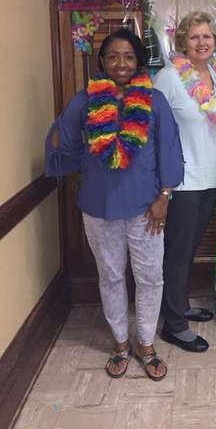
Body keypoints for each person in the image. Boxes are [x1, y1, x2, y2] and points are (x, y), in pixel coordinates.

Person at [45, 28, 183, 380]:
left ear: (138, 62)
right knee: (110, 275)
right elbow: (66, 143)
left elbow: (169, 149)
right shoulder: (85, 101)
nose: (121, 63)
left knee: (150, 277)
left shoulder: (154, 101)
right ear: (102, 62)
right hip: (99, 206)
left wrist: (164, 197)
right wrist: (68, 146)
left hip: (147, 207)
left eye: (129, 57)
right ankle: (121, 343)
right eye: (113, 57)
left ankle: (146, 343)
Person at [154, 11, 216, 353]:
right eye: (194, 37)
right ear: (182, 42)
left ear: (215, 41)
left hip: (210, 178)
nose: (202, 42)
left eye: (207, 36)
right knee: (177, 252)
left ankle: (179, 303)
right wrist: (162, 185)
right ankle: (174, 325)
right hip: (181, 181)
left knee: (189, 249)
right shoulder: (169, 77)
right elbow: (153, 129)